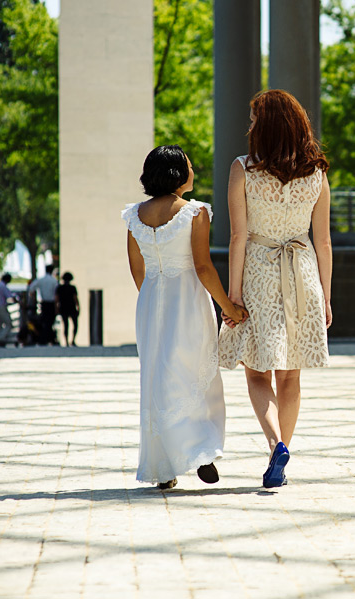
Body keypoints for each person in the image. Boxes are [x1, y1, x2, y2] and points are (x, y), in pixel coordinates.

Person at [218, 89, 333, 489]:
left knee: (256, 373)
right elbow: (324, 242)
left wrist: (233, 296)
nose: (249, 126)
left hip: (260, 273)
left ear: (265, 125)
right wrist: (327, 297)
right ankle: (282, 450)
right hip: (303, 275)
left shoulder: (243, 169)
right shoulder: (316, 173)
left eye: (253, 120)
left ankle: (275, 445)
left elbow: (237, 237)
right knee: (290, 375)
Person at [123, 144, 248, 490]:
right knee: (195, 372)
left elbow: (137, 269)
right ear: (179, 174)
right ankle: (201, 451)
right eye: (190, 166)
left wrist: (152, 299)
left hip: (150, 300)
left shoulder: (134, 215)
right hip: (188, 300)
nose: (194, 171)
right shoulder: (195, 212)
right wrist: (228, 306)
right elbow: (204, 267)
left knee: (156, 377)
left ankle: (163, 467)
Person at [30, 264, 59, 345]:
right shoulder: (54, 281)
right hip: (51, 303)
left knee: (45, 321)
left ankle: (45, 338)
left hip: (44, 303)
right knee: (50, 321)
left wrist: (33, 297)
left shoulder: (41, 280)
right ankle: (50, 338)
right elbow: (56, 294)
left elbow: (31, 288)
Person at [0, 273, 16, 348]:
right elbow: (9, 295)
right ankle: (0, 338)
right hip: (1, 306)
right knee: (8, 323)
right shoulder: (3, 286)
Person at [56, 272, 80, 346]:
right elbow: (75, 299)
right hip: (71, 307)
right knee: (74, 325)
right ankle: (72, 340)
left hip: (64, 308)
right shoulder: (72, 288)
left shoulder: (60, 288)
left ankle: (67, 341)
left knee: (66, 325)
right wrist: (78, 307)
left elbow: (56, 300)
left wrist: (56, 309)